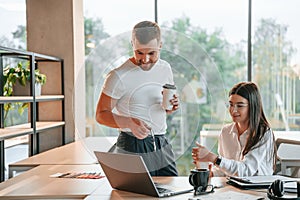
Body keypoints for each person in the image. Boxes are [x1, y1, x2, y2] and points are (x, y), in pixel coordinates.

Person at [95, 21, 179, 176]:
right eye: (139, 53)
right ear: (132, 44)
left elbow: (161, 107)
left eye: (151, 53)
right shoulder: (118, 76)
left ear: (160, 45)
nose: (145, 59)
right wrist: (128, 122)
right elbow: (101, 114)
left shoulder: (165, 69)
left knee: (172, 191)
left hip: (161, 142)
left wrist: (170, 108)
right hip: (132, 144)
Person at [192, 82, 277, 177]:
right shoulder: (225, 132)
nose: (233, 110)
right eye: (231, 105)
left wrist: (213, 158)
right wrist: (209, 172)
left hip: (258, 189)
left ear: (252, 106)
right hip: (233, 188)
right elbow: (224, 170)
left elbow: (246, 171)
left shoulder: (263, 133)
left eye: (240, 106)